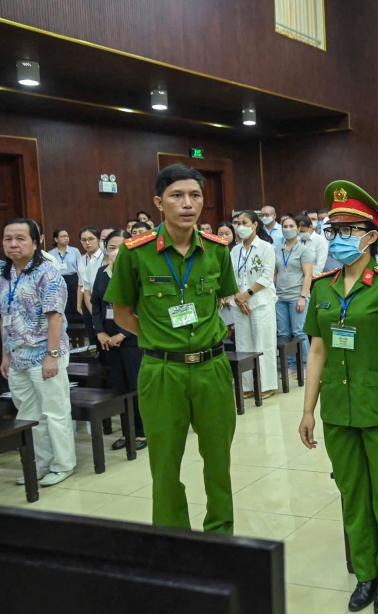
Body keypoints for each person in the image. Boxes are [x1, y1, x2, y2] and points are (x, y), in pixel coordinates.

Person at [299, 180, 378, 614]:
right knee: (352, 493)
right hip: (338, 410)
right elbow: (316, 350)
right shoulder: (325, 287)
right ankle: (365, 573)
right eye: (334, 230)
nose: (338, 238)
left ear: (371, 236)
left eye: (348, 230)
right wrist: (308, 410)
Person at [105, 163, 240, 534]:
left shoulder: (216, 250)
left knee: (218, 463)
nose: (187, 204)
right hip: (162, 371)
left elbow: (221, 301)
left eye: (195, 195)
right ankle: (173, 542)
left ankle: (220, 537)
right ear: (158, 202)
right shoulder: (136, 252)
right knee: (164, 465)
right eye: (177, 195)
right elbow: (121, 313)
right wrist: (158, 337)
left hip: (212, 368)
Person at [0, 218, 75, 487]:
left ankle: (64, 463)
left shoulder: (47, 273)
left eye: (20, 238)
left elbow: (55, 317)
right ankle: (41, 462)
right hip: (16, 355)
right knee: (29, 415)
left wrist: (52, 356)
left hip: (44, 353)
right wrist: (5, 355)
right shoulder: (4, 274)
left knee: (54, 411)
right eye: (8, 239)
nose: (13, 244)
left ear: (36, 241)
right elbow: (4, 316)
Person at [91, 229, 146, 451]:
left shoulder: (138, 273)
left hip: (132, 341)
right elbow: (96, 305)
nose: (116, 252)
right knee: (119, 388)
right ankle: (127, 431)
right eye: (112, 248)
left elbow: (142, 308)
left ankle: (142, 432)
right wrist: (100, 333)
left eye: (122, 247)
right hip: (109, 342)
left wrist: (124, 334)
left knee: (137, 386)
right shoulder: (102, 274)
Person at [230, 210, 278, 399]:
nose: (240, 226)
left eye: (244, 222)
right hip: (239, 304)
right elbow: (231, 277)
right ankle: (248, 385)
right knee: (243, 345)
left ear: (255, 224)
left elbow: (267, 276)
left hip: (261, 302)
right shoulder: (235, 250)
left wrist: (247, 295)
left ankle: (267, 384)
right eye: (237, 222)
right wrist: (238, 297)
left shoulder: (266, 247)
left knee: (263, 343)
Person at [275, 215, 315, 374]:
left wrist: (303, 297)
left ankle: (306, 364)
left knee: (299, 331)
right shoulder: (277, 249)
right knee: (284, 333)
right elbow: (275, 273)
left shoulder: (303, 250)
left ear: (298, 229)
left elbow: (308, 275)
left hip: (297, 296)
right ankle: (291, 364)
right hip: (280, 297)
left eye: (291, 226)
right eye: (285, 226)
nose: (288, 229)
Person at [77, 226, 103, 344]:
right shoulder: (82, 259)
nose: (87, 242)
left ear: (98, 239)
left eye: (91, 239)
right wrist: (79, 305)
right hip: (87, 301)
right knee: (92, 337)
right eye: (84, 240)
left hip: (102, 301)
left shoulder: (105, 257)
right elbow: (80, 284)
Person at [50, 229, 81, 324]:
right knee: (63, 303)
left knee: (74, 301)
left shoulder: (74, 251)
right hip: (59, 280)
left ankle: (79, 325)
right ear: (56, 239)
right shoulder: (51, 254)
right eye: (63, 236)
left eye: (67, 236)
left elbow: (80, 267)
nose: (66, 238)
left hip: (73, 279)